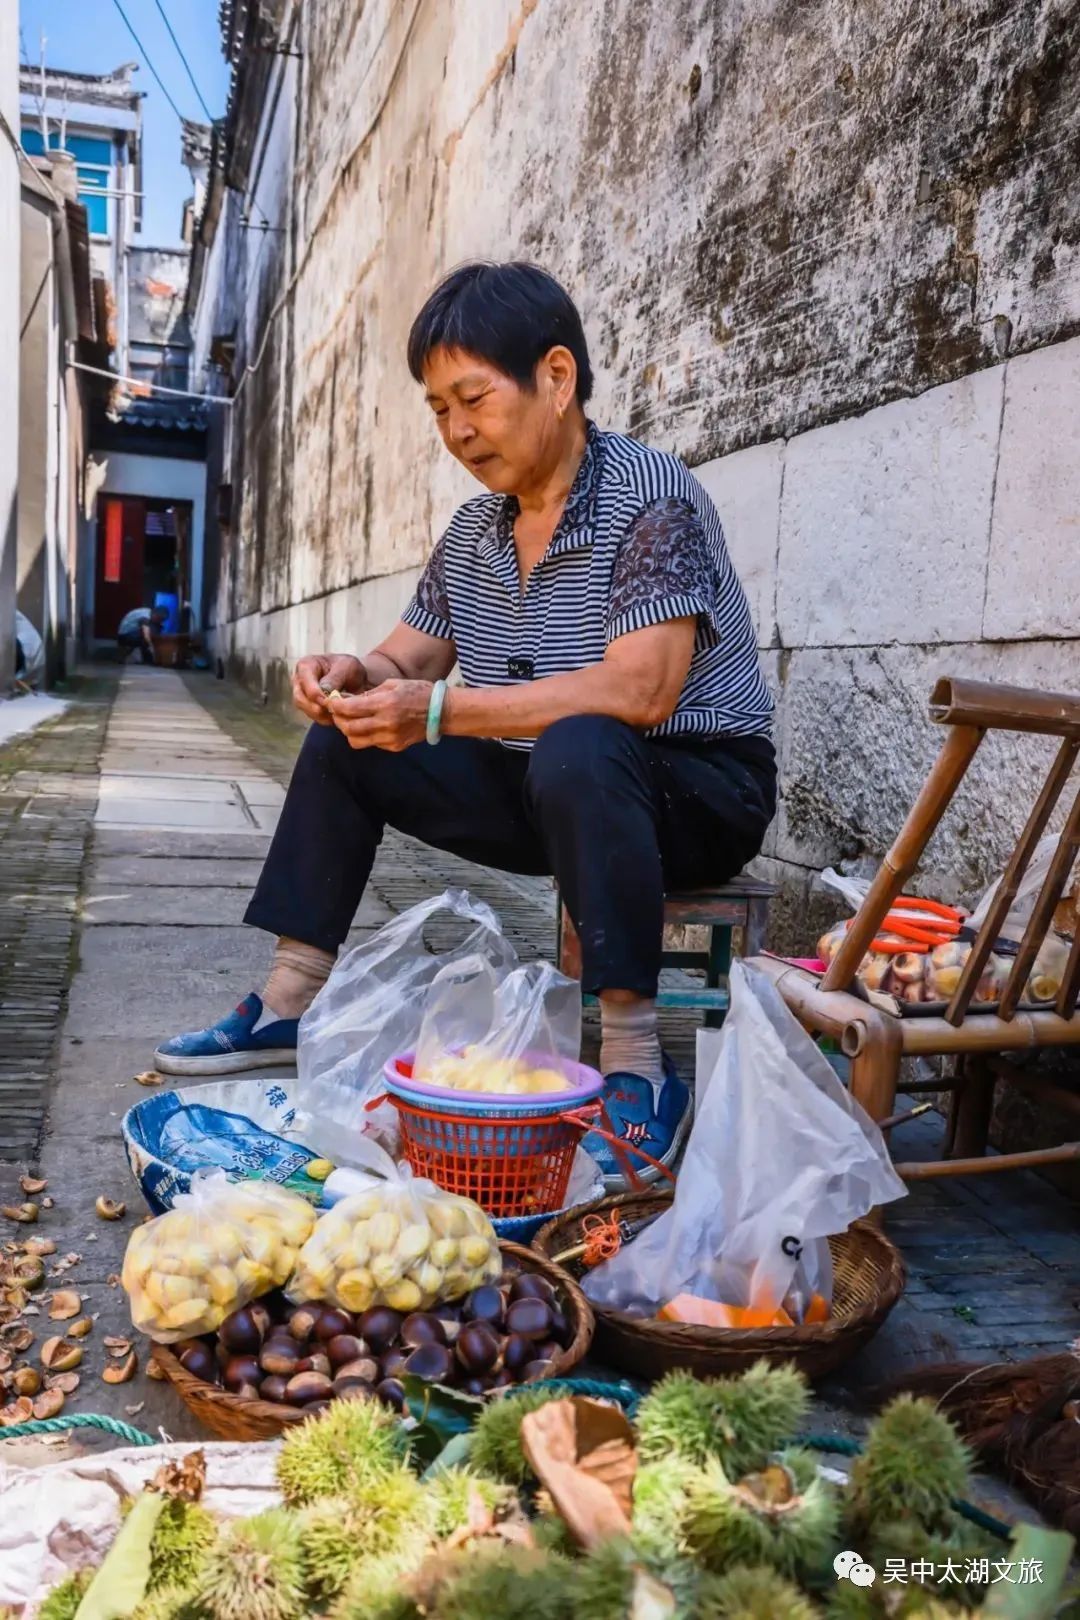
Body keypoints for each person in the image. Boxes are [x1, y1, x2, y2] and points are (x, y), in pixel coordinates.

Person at [155, 261, 776, 1189]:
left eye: (473, 399)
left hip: (694, 788)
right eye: (438, 408)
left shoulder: (653, 498)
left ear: (556, 379)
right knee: (348, 737)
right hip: (556, 788)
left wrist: (439, 711)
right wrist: (354, 676)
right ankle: (289, 998)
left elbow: (642, 692)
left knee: (583, 739)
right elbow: (412, 656)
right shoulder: (479, 532)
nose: (456, 431)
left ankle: (638, 1069)